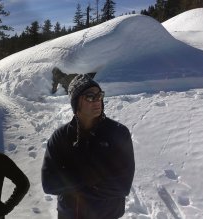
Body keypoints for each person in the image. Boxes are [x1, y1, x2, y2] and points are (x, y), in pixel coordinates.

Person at [42, 77, 136, 219]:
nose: (97, 100)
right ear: (76, 102)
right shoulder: (61, 137)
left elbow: (122, 186)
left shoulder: (118, 133)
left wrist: (71, 182)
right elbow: (49, 184)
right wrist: (93, 178)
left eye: (99, 95)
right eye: (90, 97)